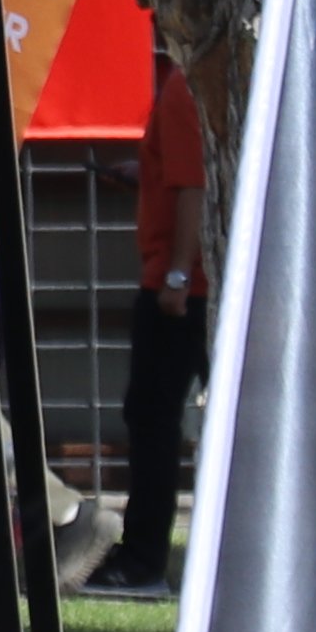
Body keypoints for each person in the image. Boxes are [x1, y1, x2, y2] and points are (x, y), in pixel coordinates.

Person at [123, 53, 211, 586]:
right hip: (205, 280)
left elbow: (193, 187)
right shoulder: (200, 82)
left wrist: (178, 273)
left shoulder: (182, 86)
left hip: (182, 285)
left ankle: (142, 559)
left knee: (152, 419)